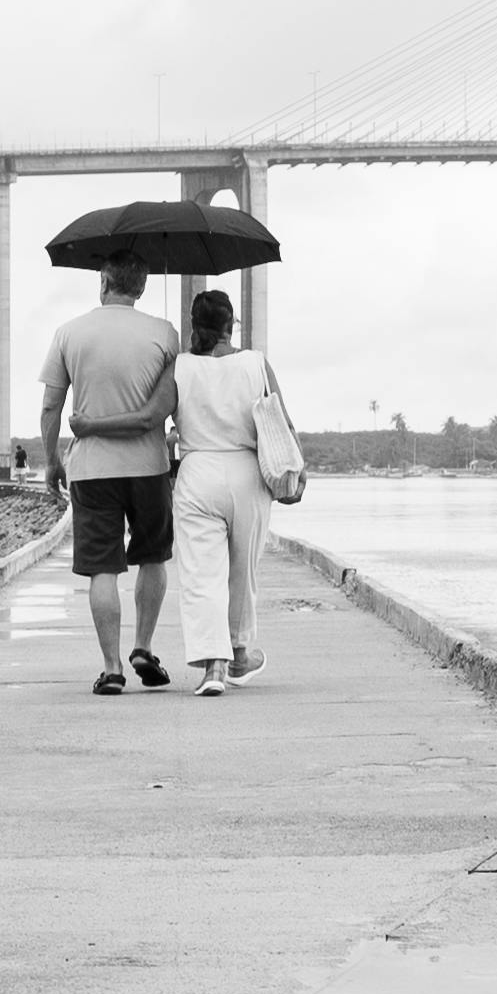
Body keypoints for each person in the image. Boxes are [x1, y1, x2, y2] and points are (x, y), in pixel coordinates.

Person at [37, 250, 179, 695]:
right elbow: (171, 403)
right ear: (141, 286)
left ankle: (112, 667)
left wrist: (51, 460)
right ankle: (143, 646)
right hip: (149, 466)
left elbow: (50, 406)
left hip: (92, 469)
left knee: (103, 568)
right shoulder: (164, 333)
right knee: (152, 556)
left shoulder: (69, 333)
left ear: (103, 281)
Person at [165, 286, 289, 696]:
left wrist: (171, 441)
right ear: (230, 324)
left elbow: (157, 416)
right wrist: (295, 474)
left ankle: (213, 668)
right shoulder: (255, 363)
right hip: (247, 473)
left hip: (198, 472)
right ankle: (239, 652)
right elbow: (281, 421)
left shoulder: (180, 367)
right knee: (241, 571)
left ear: (194, 326)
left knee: (202, 574)